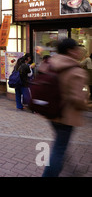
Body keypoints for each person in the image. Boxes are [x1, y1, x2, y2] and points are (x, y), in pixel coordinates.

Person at [41, 38, 88, 177]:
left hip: (51, 112)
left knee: (60, 145)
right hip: (66, 116)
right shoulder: (75, 70)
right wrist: (85, 105)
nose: (80, 51)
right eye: (77, 49)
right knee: (59, 149)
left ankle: (72, 170)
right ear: (70, 51)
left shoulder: (49, 63)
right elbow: (78, 99)